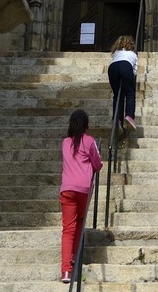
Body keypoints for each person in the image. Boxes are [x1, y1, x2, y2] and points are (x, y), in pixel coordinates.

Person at [59, 108, 102, 283]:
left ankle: (66, 271)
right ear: (86, 125)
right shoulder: (90, 141)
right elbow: (98, 164)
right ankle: (75, 259)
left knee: (68, 229)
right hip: (83, 189)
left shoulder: (65, 143)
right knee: (79, 222)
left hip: (67, 189)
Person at [107, 34, 138, 132]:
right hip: (126, 65)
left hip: (112, 67)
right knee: (130, 93)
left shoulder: (116, 53)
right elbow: (134, 71)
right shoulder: (133, 54)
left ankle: (117, 120)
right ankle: (129, 116)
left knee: (117, 95)